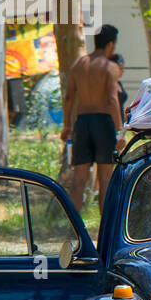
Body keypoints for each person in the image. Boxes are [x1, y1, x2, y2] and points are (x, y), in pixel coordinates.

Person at [61, 24, 124, 212]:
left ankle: (72, 229)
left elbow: (68, 97)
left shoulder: (78, 65)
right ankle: (105, 230)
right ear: (111, 44)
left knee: (78, 180)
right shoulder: (110, 67)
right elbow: (112, 99)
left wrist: (67, 126)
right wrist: (120, 131)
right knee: (105, 179)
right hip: (102, 123)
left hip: (82, 123)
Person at [110, 52, 128, 120]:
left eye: (123, 68)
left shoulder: (119, 83)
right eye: (120, 68)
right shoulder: (109, 84)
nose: (122, 71)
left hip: (120, 122)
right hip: (112, 122)